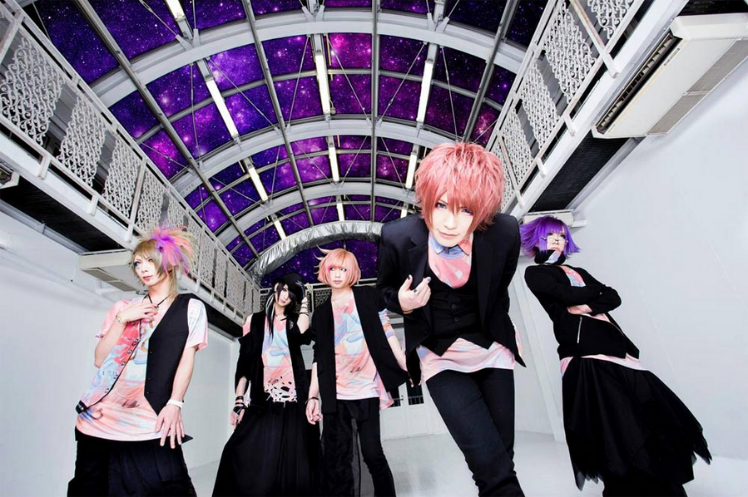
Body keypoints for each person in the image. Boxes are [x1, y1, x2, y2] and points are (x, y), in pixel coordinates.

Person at [521, 215, 711, 496]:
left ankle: (662, 486)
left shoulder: (578, 271)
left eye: (561, 236)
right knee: (616, 425)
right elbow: (570, 296)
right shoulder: (535, 273)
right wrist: (594, 294)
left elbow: (613, 296)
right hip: (585, 355)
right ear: (538, 240)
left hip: (617, 349)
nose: (557, 241)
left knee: (649, 415)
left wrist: (587, 303)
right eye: (551, 236)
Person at [377, 142, 525, 496]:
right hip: (439, 357)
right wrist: (403, 303)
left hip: (492, 350)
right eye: (441, 205)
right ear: (427, 198)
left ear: (483, 209)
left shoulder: (505, 232)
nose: (448, 222)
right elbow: (384, 292)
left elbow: (499, 288)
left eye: (465, 210)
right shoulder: (397, 236)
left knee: (501, 459)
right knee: (489, 463)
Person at [69, 226, 208, 496]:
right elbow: (100, 360)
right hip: (98, 419)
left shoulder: (190, 308)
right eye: (137, 263)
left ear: (169, 263)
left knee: (167, 487)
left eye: (150, 261)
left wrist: (175, 403)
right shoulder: (123, 308)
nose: (142, 268)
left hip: (149, 421)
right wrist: (123, 319)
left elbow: (186, 360)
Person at [306, 248, 409, 497]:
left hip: (367, 389)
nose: (337, 274)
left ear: (351, 272)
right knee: (337, 460)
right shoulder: (320, 313)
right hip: (336, 394)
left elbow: (387, 330)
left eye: (343, 269)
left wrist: (404, 362)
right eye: (332, 268)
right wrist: (312, 396)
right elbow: (319, 358)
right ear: (325, 271)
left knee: (373, 454)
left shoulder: (367, 296)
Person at [213, 272, 317, 496]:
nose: (285, 296)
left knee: (292, 462)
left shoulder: (293, 321)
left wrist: (305, 300)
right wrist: (239, 400)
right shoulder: (254, 320)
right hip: (263, 401)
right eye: (284, 289)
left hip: (294, 401)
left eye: (292, 294)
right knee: (237, 450)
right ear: (276, 286)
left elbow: (302, 331)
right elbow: (244, 363)